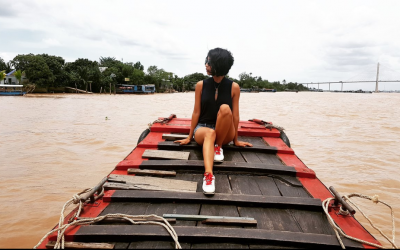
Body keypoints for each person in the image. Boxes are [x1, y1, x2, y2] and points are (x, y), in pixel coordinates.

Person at [174, 48, 252, 195]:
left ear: (218, 64)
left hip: (225, 132)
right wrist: (189, 137)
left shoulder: (234, 87)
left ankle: (218, 146)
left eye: (208, 62)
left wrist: (236, 140)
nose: (205, 64)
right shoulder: (201, 85)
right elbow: (196, 112)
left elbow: (235, 116)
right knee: (210, 132)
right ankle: (209, 175)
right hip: (203, 129)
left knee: (225, 109)